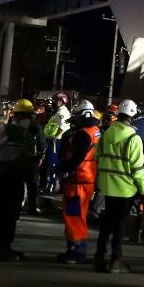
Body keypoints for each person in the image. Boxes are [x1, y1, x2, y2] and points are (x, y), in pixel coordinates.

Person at [94, 98, 144, 273]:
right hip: (125, 190)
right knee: (119, 226)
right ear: (132, 117)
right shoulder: (134, 139)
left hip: (107, 186)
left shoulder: (107, 133)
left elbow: (97, 156)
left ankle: (99, 258)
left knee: (106, 224)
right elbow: (138, 170)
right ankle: (115, 261)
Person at [0, 98, 47, 261]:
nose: (29, 120)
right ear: (18, 116)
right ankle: (1, 248)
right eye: (27, 116)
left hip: (17, 176)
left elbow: (42, 147)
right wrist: (10, 156)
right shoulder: (6, 130)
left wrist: (38, 132)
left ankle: (6, 246)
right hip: (6, 175)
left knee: (13, 213)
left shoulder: (30, 133)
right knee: (5, 213)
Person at [56, 100, 101, 264]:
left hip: (77, 180)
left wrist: (63, 167)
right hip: (87, 179)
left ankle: (76, 250)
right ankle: (76, 248)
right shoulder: (96, 131)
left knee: (73, 215)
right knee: (79, 215)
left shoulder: (83, 134)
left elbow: (77, 158)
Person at [41, 92, 71, 193]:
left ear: (62, 101)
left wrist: (55, 136)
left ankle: (52, 185)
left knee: (52, 163)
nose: (54, 102)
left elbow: (63, 126)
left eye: (56, 100)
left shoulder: (62, 112)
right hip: (51, 139)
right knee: (48, 162)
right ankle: (47, 185)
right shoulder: (57, 111)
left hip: (54, 140)